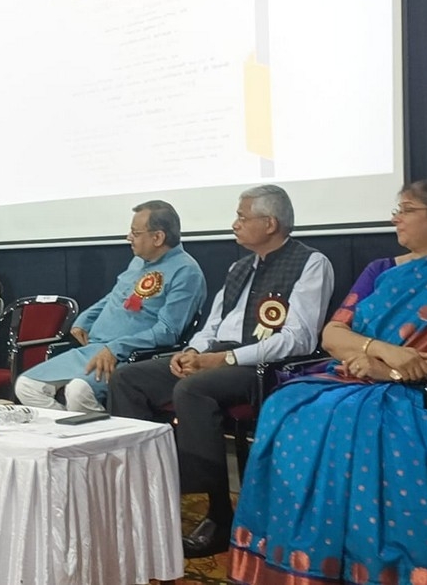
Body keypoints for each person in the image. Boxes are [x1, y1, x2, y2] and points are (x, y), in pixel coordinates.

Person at [228, 180, 427, 585]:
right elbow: (333, 334)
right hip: (357, 376)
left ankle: (376, 564)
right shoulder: (380, 270)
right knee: (284, 404)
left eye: (406, 210)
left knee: (350, 417)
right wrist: (382, 352)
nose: (396, 219)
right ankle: (308, 553)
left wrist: (397, 370)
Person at [107, 185, 335, 558]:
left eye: (242, 217)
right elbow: (212, 325)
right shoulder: (239, 267)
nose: (234, 224)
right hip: (215, 357)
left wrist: (226, 359)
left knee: (193, 389)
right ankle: (144, 493)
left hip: (264, 367)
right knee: (128, 379)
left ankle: (217, 513)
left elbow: (298, 339)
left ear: (270, 223)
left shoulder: (310, 263)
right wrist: (192, 351)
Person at [15, 200, 205, 412]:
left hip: (130, 357)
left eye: (135, 233)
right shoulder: (138, 262)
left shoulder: (186, 272)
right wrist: (84, 320)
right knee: (27, 386)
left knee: (78, 391)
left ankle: (95, 432)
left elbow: (167, 331)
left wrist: (116, 348)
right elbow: (114, 297)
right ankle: (69, 430)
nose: (128, 237)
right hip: (96, 349)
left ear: (158, 237)